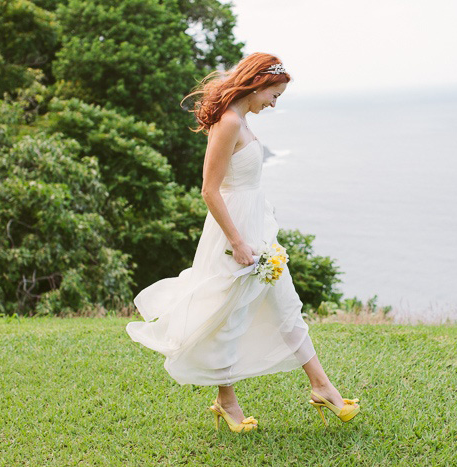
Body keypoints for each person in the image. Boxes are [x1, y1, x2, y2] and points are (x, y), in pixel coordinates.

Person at [125, 52, 360, 433]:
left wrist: (263, 226)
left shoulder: (242, 119)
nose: (274, 103)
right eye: (275, 95)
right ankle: (226, 401)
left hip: (259, 229)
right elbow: (209, 189)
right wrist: (237, 242)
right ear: (258, 84)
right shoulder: (229, 121)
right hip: (234, 233)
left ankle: (323, 387)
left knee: (287, 307)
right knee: (228, 315)